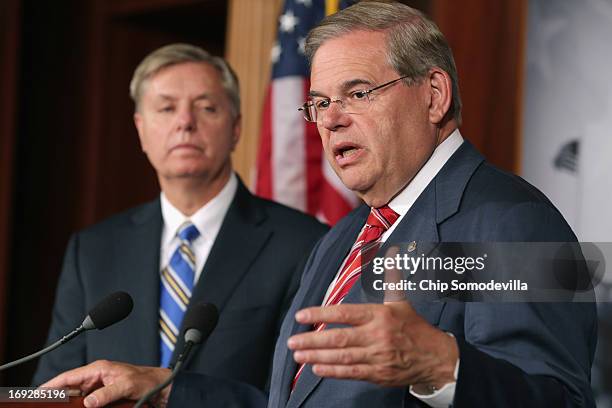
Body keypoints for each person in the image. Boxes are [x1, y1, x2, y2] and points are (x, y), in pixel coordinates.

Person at [43, 3, 597, 407]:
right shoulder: (343, 238)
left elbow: (560, 399)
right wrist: (165, 392)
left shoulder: (513, 222)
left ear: (434, 94)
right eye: (319, 103)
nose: (330, 119)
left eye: (357, 93)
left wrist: (442, 365)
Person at [32, 43, 328, 394]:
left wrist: (169, 394)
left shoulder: (304, 244)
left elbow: (301, 397)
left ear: (235, 127)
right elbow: (52, 391)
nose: (185, 123)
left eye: (206, 108)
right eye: (167, 108)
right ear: (141, 130)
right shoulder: (93, 250)